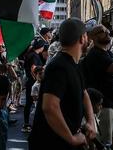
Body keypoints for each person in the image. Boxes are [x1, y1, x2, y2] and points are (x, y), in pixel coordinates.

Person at [29, 18, 97, 149]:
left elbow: (84, 93)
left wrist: (90, 122)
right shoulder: (59, 66)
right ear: (83, 38)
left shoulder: (74, 64)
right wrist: (71, 139)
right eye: (87, 36)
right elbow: (50, 107)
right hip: (51, 143)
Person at [21, 38, 46, 133]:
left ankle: (27, 123)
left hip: (30, 82)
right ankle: (27, 124)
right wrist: (38, 80)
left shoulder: (31, 54)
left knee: (29, 103)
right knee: (31, 103)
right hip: (32, 82)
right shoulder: (34, 56)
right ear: (41, 47)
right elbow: (34, 69)